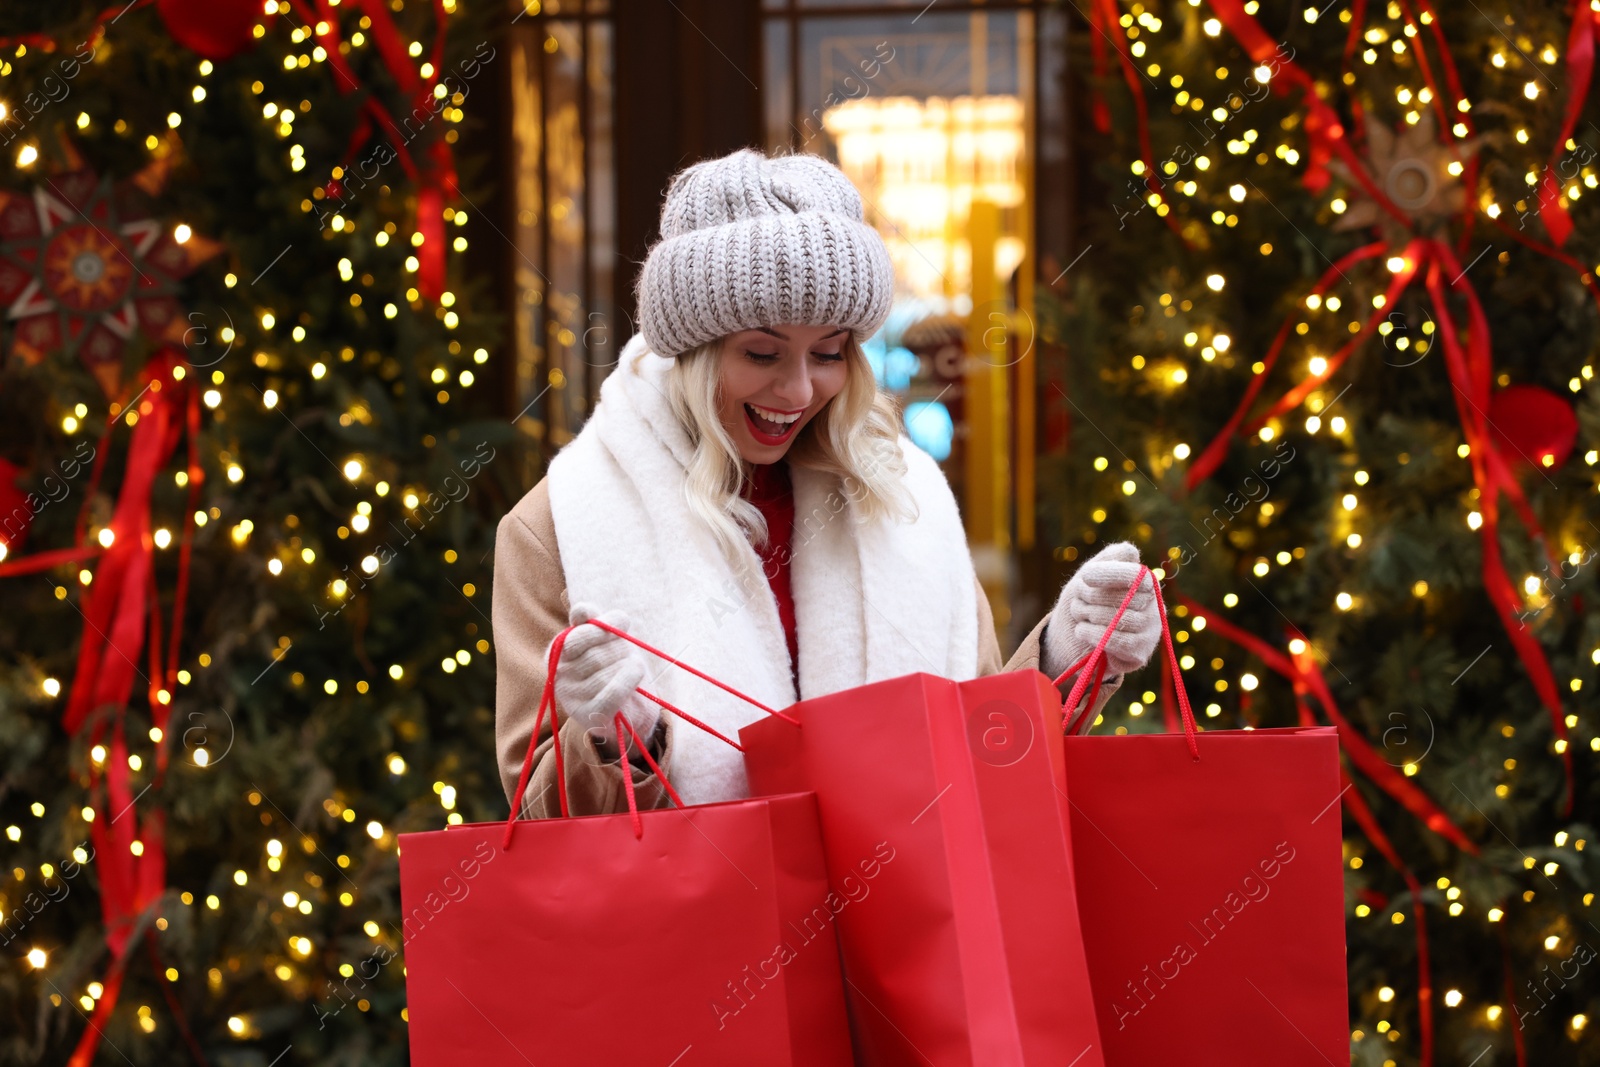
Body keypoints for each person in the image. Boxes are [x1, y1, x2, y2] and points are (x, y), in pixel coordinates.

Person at [492, 147, 1161, 818]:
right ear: (693, 349)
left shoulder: (907, 494)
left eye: (829, 352)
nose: (799, 388)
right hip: (712, 921)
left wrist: (1067, 652)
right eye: (762, 352)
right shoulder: (556, 524)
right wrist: (615, 742)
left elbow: (976, 740)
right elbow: (535, 813)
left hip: (907, 919)